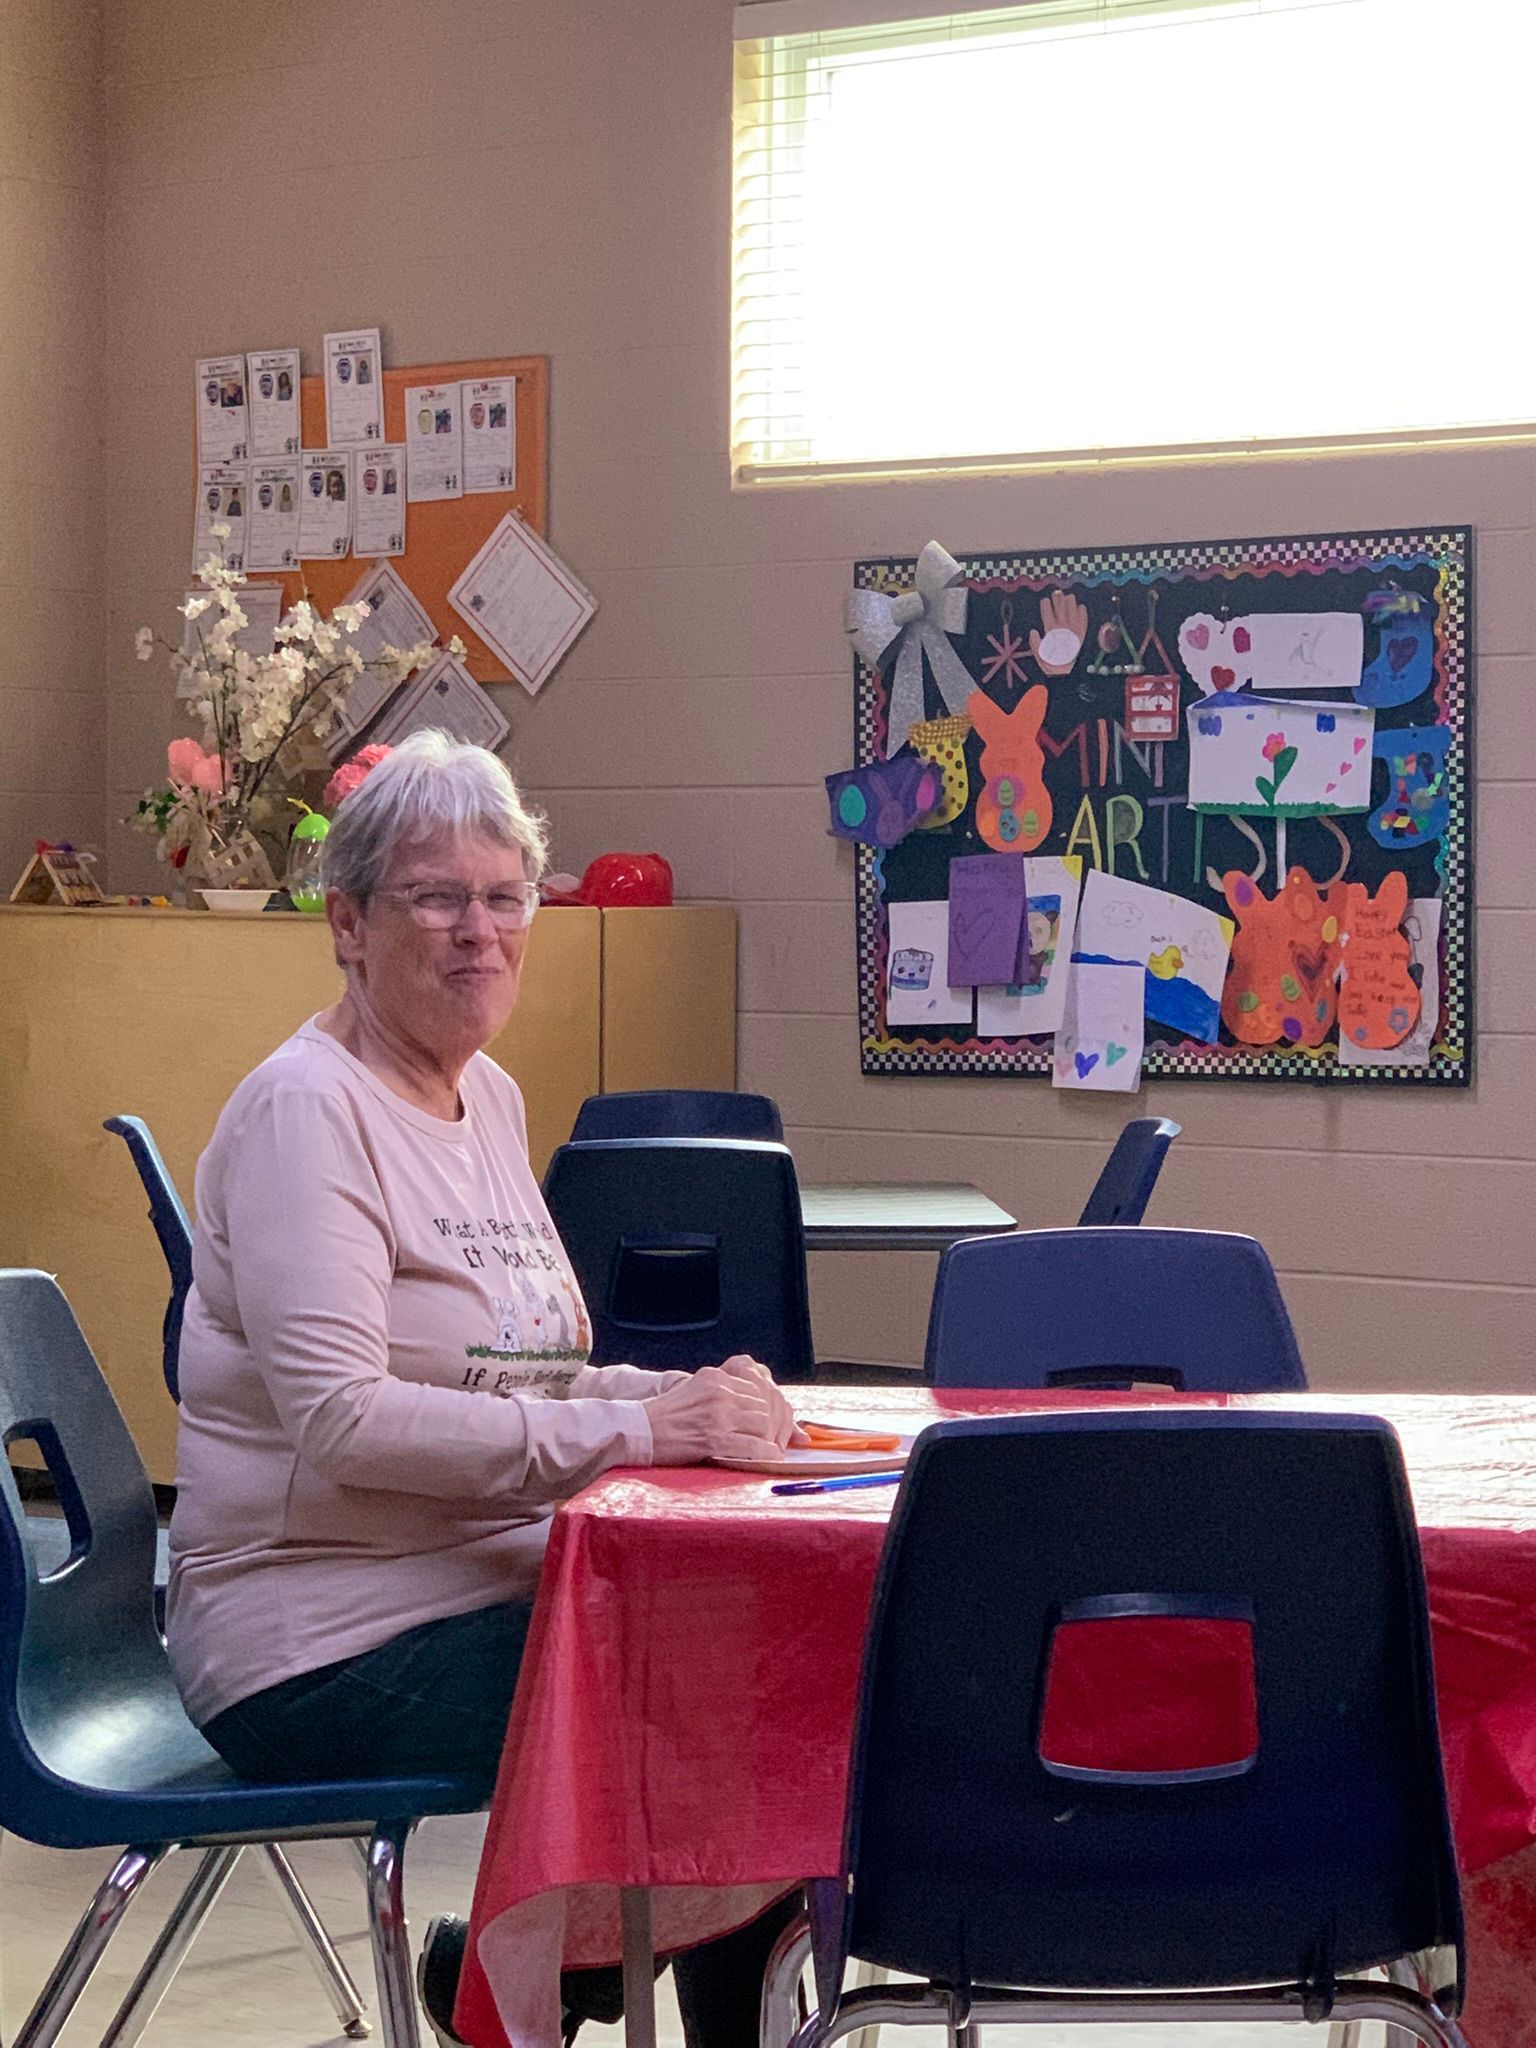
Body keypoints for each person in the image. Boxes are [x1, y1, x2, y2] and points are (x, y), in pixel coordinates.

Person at [167, 731, 802, 2048]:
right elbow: (345, 1422)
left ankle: (537, 1980)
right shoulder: (306, 1113)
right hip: (317, 1647)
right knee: (719, 1697)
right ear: (348, 924)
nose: (480, 931)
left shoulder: (489, 1097)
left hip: (490, 1587)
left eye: (505, 897)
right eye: (435, 898)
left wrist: (688, 1395)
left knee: (763, 1654)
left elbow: (534, 1371)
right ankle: (535, 1987)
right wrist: (640, 1429)